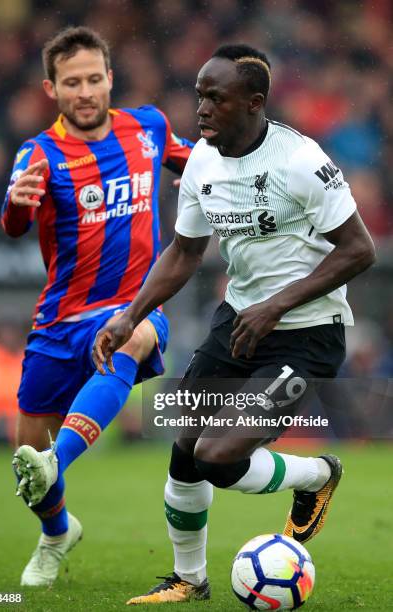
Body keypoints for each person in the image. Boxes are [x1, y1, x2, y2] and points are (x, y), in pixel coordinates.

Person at [90, 44, 376, 604]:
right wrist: (129, 317)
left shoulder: (301, 161)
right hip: (239, 321)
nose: (200, 109)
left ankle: (316, 474)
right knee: (183, 445)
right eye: (199, 95)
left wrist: (277, 305)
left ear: (253, 103)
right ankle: (187, 580)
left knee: (218, 457)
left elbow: (359, 250)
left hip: (308, 333)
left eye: (214, 98)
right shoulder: (202, 159)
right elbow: (184, 251)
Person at [1, 26, 193, 587]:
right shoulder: (38, 153)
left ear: (109, 78)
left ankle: (59, 458)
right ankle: (57, 530)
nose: (84, 92)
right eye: (71, 83)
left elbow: (197, 164)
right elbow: (14, 224)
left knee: (130, 339)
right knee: (25, 455)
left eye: (92, 79)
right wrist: (16, 203)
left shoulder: (148, 127)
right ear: (52, 89)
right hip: (60, 320)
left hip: (133, 304)